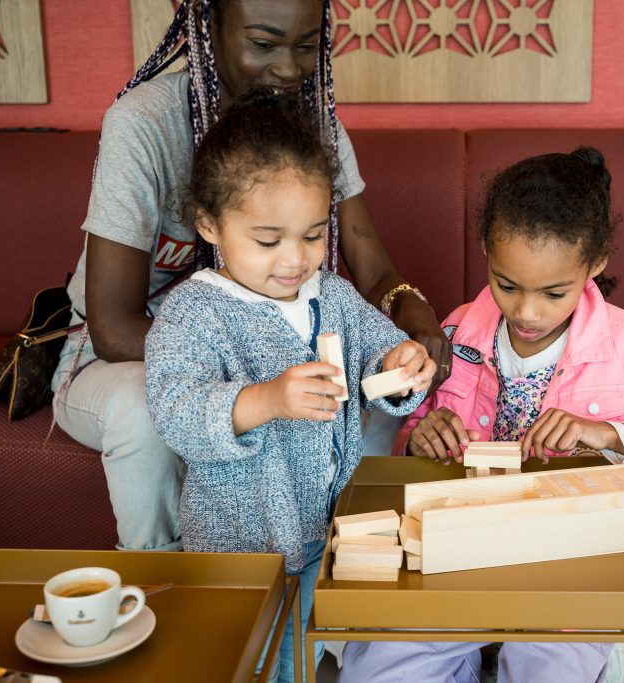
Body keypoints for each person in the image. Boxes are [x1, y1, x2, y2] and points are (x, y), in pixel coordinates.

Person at [51, 0, 449, 553]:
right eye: (263, 44)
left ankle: (344, 561)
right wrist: (265, 378)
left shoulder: (313, 127)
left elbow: (374, 271)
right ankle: (168, 580)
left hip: (274, 353)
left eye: (307, 46)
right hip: (128, 358)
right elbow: (113, 328)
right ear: (208, 28)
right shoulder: (144, 124)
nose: (289, 69)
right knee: (145, 412)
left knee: (360, 403)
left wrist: (406, 327)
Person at [340, 148, 624, 683]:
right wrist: (419, 436)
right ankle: (483, 648)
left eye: (554, 293)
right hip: (458, 554)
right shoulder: (458, 330)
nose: (527, 313)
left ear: (594, 264)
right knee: (382, 671)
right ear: (486, 249)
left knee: (548, 667)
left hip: (573, 569)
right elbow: (412, 431)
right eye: (507, 285)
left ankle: (580, 651)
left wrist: (611, 435)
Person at [144, 88, 435, 682]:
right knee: (246, 660)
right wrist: (266, 399)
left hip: (324, 528)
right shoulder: (194, 314)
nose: (295, 259)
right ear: (209, 224)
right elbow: (175, 409)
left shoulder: (332, 295)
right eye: (268, 239)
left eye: (311, 235)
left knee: (299, 658)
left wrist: (404, 365)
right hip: (241, 545)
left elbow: (381, 361)